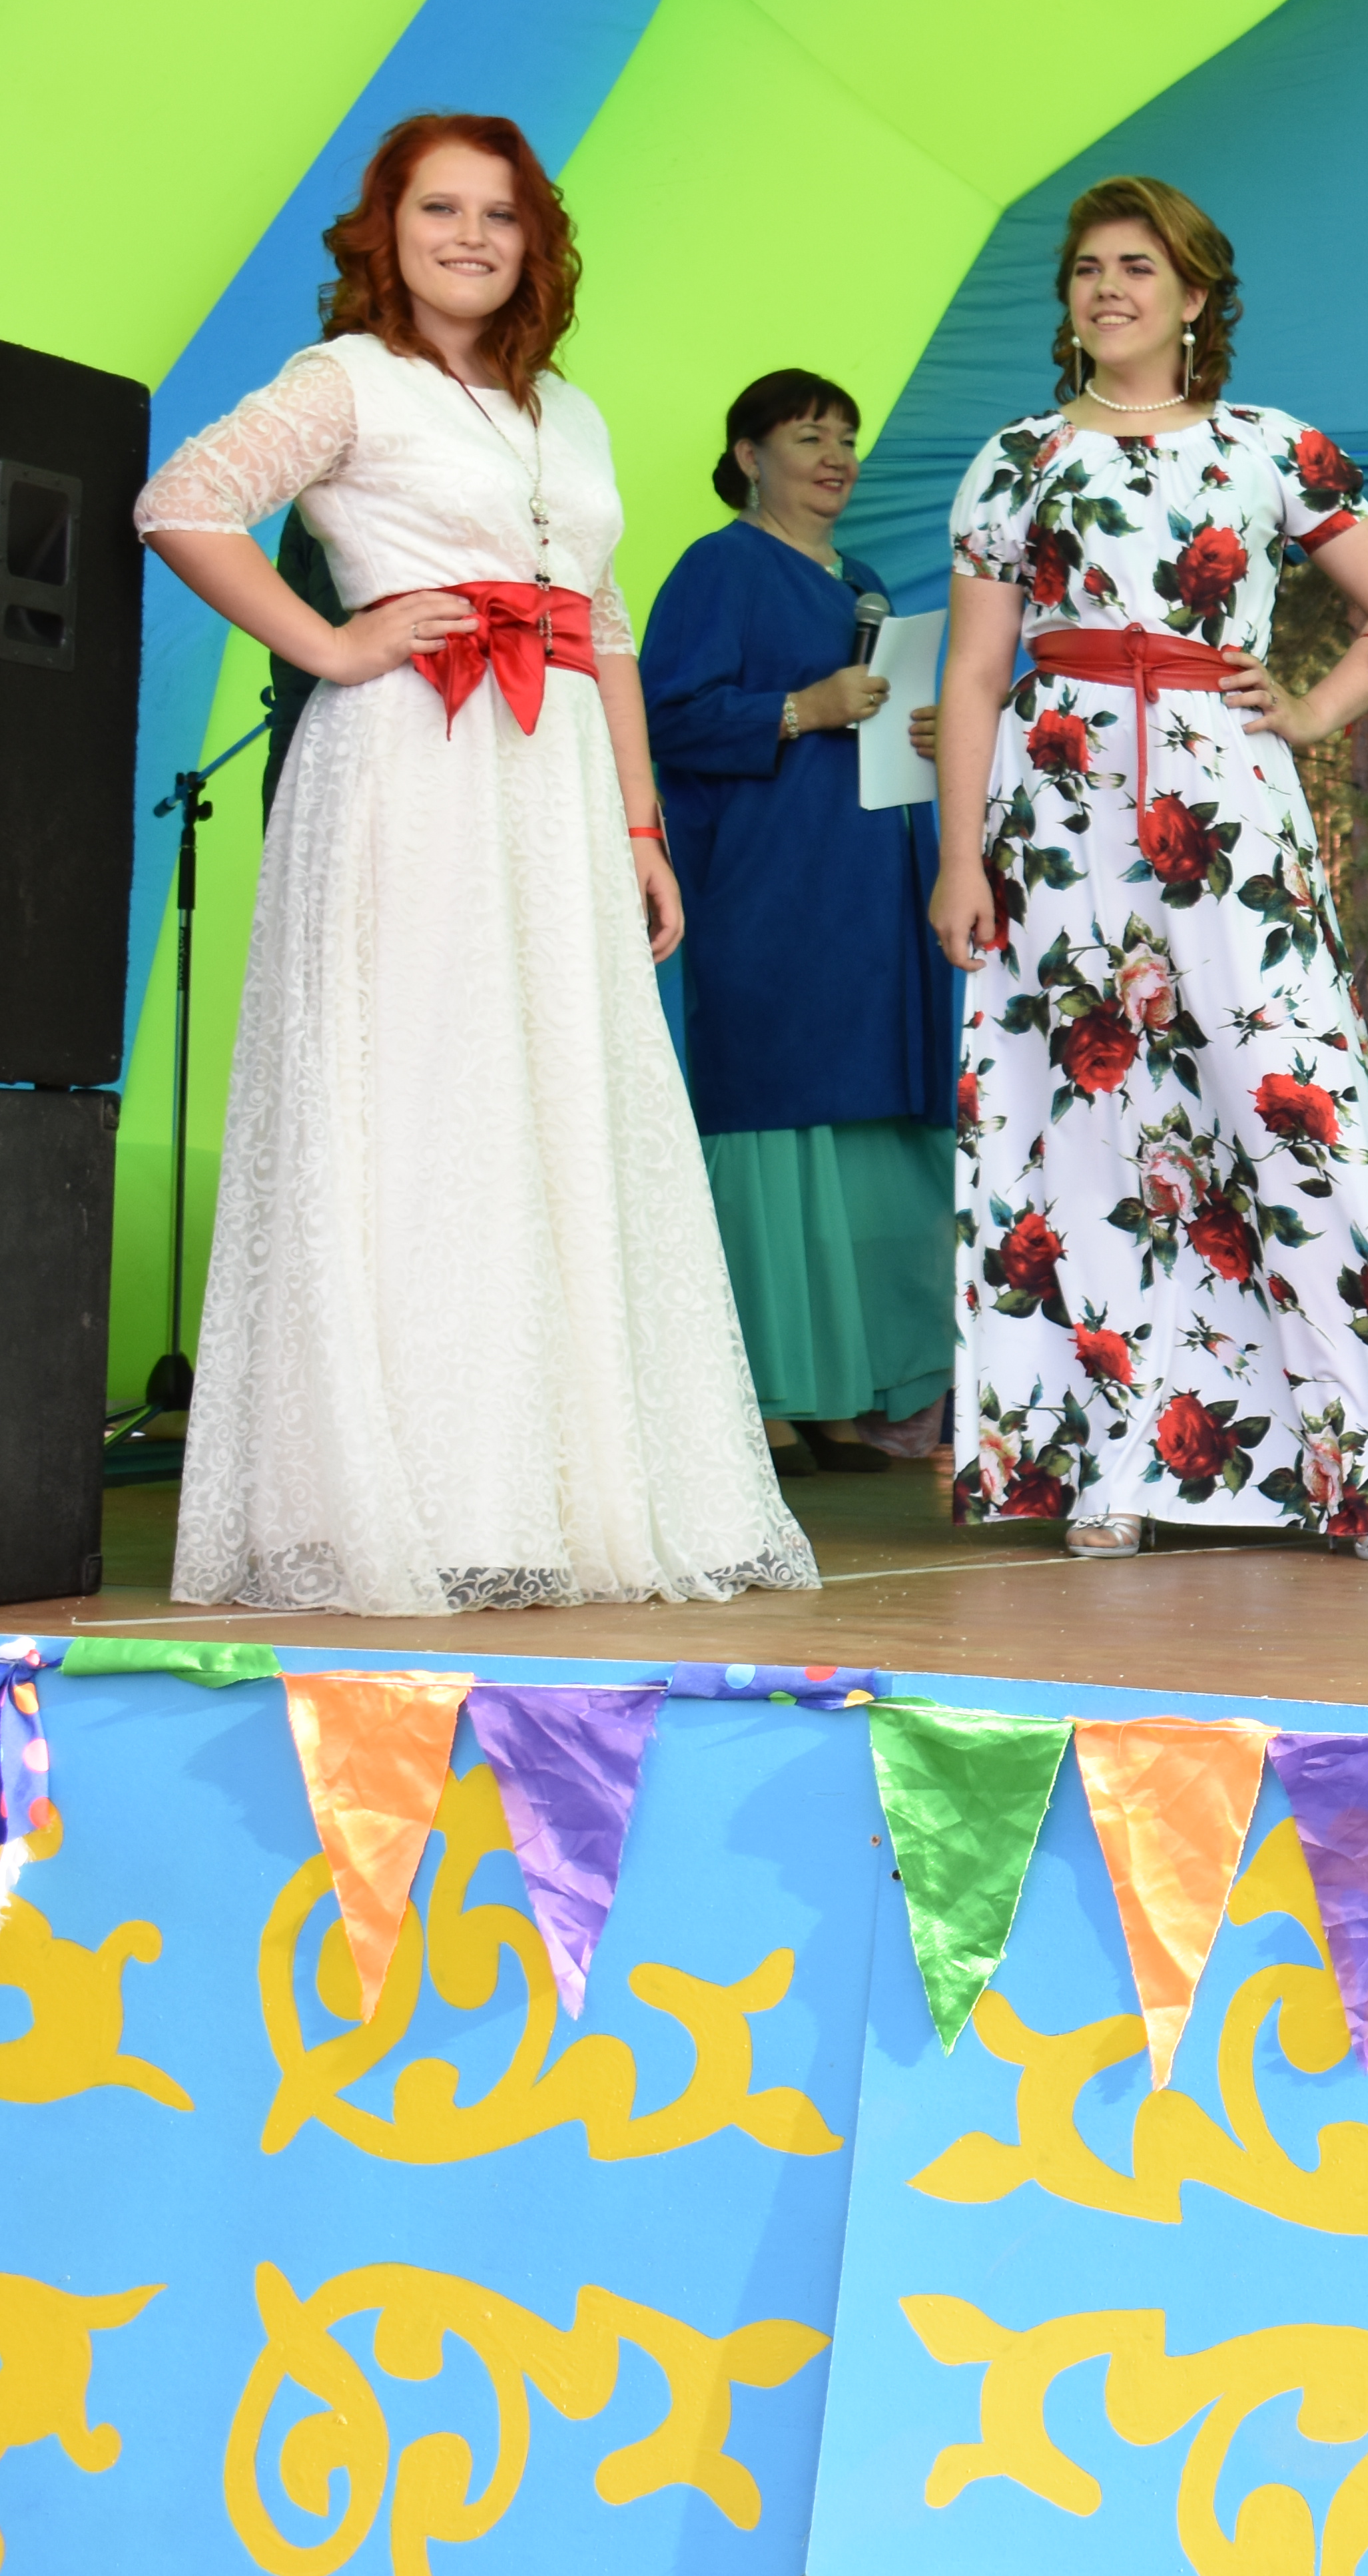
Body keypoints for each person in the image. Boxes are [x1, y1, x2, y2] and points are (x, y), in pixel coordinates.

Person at [133, 113, 813, 1612]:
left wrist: (641, 826)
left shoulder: (569, 411)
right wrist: (330, 643)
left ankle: (549, 1492)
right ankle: (414, 1495)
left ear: (534, 241)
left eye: (499, 214)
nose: (470, 237)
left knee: (553, 1097)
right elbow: (178, 500)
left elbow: (607, 626)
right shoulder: (345, 379)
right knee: (423, 1099)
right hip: (413, 764)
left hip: (555, 784)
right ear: (386, 228)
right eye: (439, 208)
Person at [928, 176, 1368, 1562]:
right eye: (1089, 268)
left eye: (1140, 267)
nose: (1109, 288)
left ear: (1196, 297)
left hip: (1227, 809)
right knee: (1092, 1125)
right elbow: (972, 676)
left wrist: (1324, 707)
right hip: (1056, 823)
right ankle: (1117, 1461)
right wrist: (958, 856)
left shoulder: (1274, 447)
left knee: (1294, 1107)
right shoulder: (1016, 458)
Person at [641, 370, 957, 1473]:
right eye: (809, 436)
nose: (836, 458)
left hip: (874, 891)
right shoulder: (717, 567)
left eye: (847, 439)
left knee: (875, 1124)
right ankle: (765, 1393)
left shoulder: (865, 583)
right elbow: (663, 717)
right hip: (769, 893)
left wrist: (921, 730)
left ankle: (848, 1394)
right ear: (747, 457)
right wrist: (798, 709)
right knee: (775, 1122)